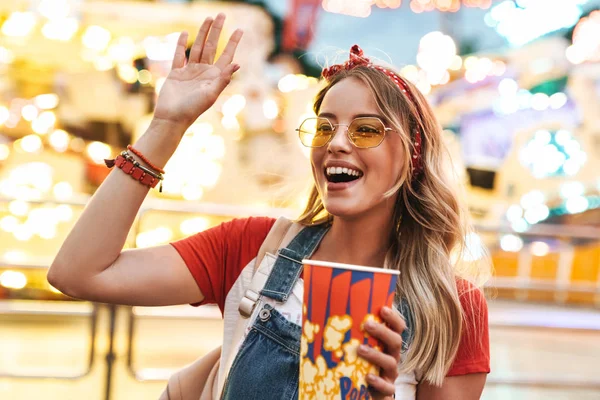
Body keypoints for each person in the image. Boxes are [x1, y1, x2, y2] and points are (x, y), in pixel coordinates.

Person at [48, 13, 490, 400]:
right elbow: (78, 273)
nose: (336, 143)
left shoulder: (453, 307)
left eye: (366, 130)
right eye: (325, 127)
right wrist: (167, 125)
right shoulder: (252, 248)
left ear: (411, 155)